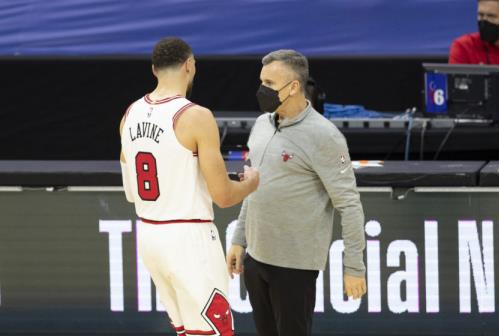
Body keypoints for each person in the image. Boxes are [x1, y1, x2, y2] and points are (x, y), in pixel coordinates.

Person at [119, 37, 259, 336]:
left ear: (154, 69)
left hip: (149, 235)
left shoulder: (129, 114)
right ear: (190, 66)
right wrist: (250, 185)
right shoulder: (196, 116)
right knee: (213, 332)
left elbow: (131, 191)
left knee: (185, 331)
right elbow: (223, 196)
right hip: (188, 236)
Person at [226, 50, 366, 336]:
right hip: (256, 258)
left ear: (293, 87)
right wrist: (240, 240)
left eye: (270, 83)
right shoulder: (262, 124)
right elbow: (253, 186)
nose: (261, 89)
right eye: (261, 81)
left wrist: (354, 266)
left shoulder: (325, 136)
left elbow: (349, 204)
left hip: (293, 266)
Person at [449, 0, 499, 111]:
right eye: (481, 15)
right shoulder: (463, 46)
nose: (484, 21)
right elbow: (459, 98)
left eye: (491, 16)